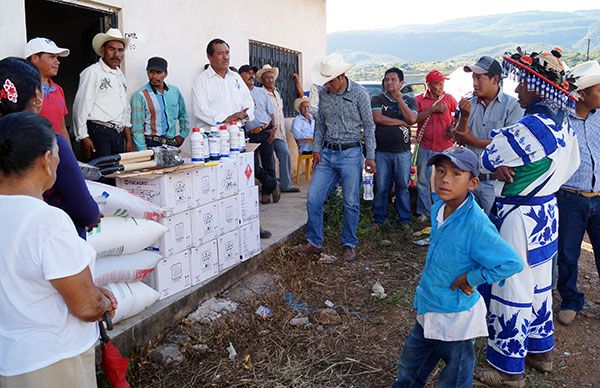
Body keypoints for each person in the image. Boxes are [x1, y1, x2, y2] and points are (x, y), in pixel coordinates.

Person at [476, 48, 580, 386]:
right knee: (538, 284)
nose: (518, 89)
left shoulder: (532, 126)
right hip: (546, 211)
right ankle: (540, 352)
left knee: (512, 285)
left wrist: (505, 163)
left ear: (537, 85)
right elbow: (572, 165)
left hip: (520, 216)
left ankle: (509, 369)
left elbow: (490, 156)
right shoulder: (565, 122)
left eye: (523, 82)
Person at [0, 112, 117, 388]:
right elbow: (86, 306)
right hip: (54, 361)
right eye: (56, 151)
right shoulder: (47, 221)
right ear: (45, 160)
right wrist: (104, 303)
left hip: (10, 360)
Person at [393, 146, 523, 388]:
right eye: (440, 171)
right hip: (429, 305)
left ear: (472, 183)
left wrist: (471, 279)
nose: (444, 179)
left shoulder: (476, 224)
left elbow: (511, 262)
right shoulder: (438, 208)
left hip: (456, 318)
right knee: (409, 371)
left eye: (456, 174)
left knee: (455, 378)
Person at [0, 57, 100, 239]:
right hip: (52, 240)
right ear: (37, 97)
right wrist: (93, 216)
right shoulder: (49, 142)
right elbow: (84, 207)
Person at [296, 53, 376, 262]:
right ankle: (314, 241)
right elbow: (321, 123)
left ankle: (349, 244)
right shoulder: (324, 93)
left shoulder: (359, 93)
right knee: (314, 198)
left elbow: (368, 126)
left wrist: (370, 156)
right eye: (326, 81)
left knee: (350, 202)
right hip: (328, 154)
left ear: (341, 76)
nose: (328, 85)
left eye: (330, 80)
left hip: (351, 153)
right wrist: (316, 149)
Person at [556, 60, 600, 326]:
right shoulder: (561, 120)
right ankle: (571, 300)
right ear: (582, 94)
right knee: (568, 254)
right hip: (570, 197)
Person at [454, 56, 524, 215]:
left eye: (479, 78)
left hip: (495, 183)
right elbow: (459, 138)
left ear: (495, 79)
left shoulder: (513, 106)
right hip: (469, 180)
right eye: (473, 78)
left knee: (492, 230)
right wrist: (464, 117)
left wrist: (474, 140)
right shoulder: (469, 104)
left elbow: (509, 145)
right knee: (468, 226)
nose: (474, 83)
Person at [73, 28, 132, 160]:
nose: (116, 54)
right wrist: (83, 136)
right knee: (102, 176)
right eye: (112, 49)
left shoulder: (119, 75)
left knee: (117, 175)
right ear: (102, 50)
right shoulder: (92, 72)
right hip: (99, 132)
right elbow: (81, 105)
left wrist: (128, 139)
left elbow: (125, 107)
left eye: (120, 50)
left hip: (117, 134)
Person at [370, 67, 417, 229]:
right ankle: (378, 219)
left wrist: (400, 100)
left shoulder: (410, 100)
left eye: (393, 80)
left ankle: (404, 220)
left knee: (403, 186)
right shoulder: (377, 99)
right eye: (386, 80)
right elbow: (378, 118)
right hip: (381, 151)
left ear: (401, 82)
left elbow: (412, 119)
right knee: (381, 186)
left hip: (402, 152)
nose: (388, 82)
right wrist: (400, 122)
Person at [414, 70, 458, 221]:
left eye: (442, 83)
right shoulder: (419, 100)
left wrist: (453, 128)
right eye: (437, 84)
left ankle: (446, 211)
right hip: (425, 145)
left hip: (445, 146)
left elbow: (458, 117)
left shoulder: (449, 99)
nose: (441, 87)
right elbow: (414, 119)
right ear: (429, 85)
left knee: (446, 180)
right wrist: (432, 109)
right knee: (422, 180)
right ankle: (425, 212)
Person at [191, 38, 254, 131]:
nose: (226, 57)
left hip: (236, 133)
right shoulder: (201, 80)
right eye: (220, 53)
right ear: (209, 56)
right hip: (213, 137)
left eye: (227, 53)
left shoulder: (236, 77)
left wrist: (245, 114)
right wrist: (226, 118)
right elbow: (199, 109)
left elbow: (248, 100)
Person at [130, 57, 190, 150]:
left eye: (158, 72)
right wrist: (143, 152)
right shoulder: (140, 96)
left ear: (165, 73)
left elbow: (183, 115)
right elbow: (137, 129)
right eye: (151, 72)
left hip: (171, 144)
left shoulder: (174, 91)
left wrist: (183, 135)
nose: (154, 76)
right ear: (147, 73)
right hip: (151, 143)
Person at [257, 64, 300, 193]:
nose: (270, 80)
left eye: (272, 77)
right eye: (267, 78)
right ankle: (272, 185)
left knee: (284, 154)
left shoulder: (276, 92)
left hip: (280, 131)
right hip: (268, 131)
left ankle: (286, 184)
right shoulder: (261, 94)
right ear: (263, 80)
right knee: (269, 160)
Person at [239, 63, 278, 201]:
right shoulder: (238, 93)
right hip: (250, 135)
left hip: (266, 130)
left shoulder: (261, 91)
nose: (252, 76)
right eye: (248, 73)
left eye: (253, 73)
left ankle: (267, 193)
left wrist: (273, 128)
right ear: (240, 76)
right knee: (253, 165)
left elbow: (271, 112)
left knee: (269, 162)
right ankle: (272, 184)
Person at [25, 37, 72, 147]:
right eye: (52, 57)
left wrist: (70, 157)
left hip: (57, 154)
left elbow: (62, 128)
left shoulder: (58, 89)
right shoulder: (25, 90)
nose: (57, 62)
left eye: (57, 57)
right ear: (35, 58)